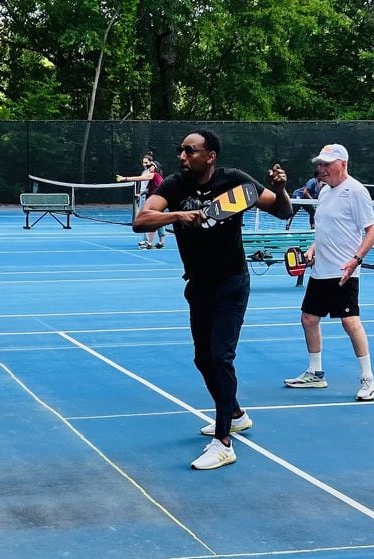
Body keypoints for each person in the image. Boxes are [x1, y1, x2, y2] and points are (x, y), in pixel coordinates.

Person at [132, 129, 292, 470]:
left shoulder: (234, 181)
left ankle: (223, 442)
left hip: (231, 283)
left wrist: (279, 189)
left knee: (221, 358)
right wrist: (178, 215)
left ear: (210, 155)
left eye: (190, 150)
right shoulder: (175, 185)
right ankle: (234, 414)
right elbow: (141, 220)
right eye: (181, 149)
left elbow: (281, 211)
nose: (182, 155)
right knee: (203, 360)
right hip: (198, 285)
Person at [283, 144, 374, 402]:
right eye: (320, 164)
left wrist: (355, 260)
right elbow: (324, 230)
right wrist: (313, 248)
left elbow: (372, 230)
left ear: (342, 164)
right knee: (308, 319)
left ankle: (368, 379)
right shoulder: (324, 192)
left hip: (344, 272)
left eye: (326, 164)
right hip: (320, 272)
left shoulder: (356, 191)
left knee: (350, 323)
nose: (321, 169)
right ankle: (315, 373)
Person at [118, 152, 166, 249]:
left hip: (157, 201)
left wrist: (125, 178)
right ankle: (160, 242)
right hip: (157, 200)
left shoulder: (153, 175)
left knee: (154, 221)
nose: (149, 167)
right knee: (158, 221)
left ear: (155, 167)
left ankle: (149, 242)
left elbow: (140, 178)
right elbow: (152, 188)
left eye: (151, 165)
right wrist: (142, 193)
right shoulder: (156, 176)